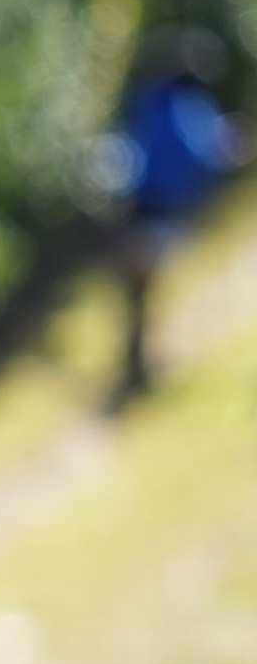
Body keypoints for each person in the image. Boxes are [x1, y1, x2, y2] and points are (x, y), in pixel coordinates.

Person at [110, 26, 246, 404]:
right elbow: (203, 149)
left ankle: (136, 363)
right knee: (149, 289)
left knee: (139, 294)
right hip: (158, 214)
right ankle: (141, 365)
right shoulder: (185, 105)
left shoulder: (149, 99)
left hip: (136, 211)